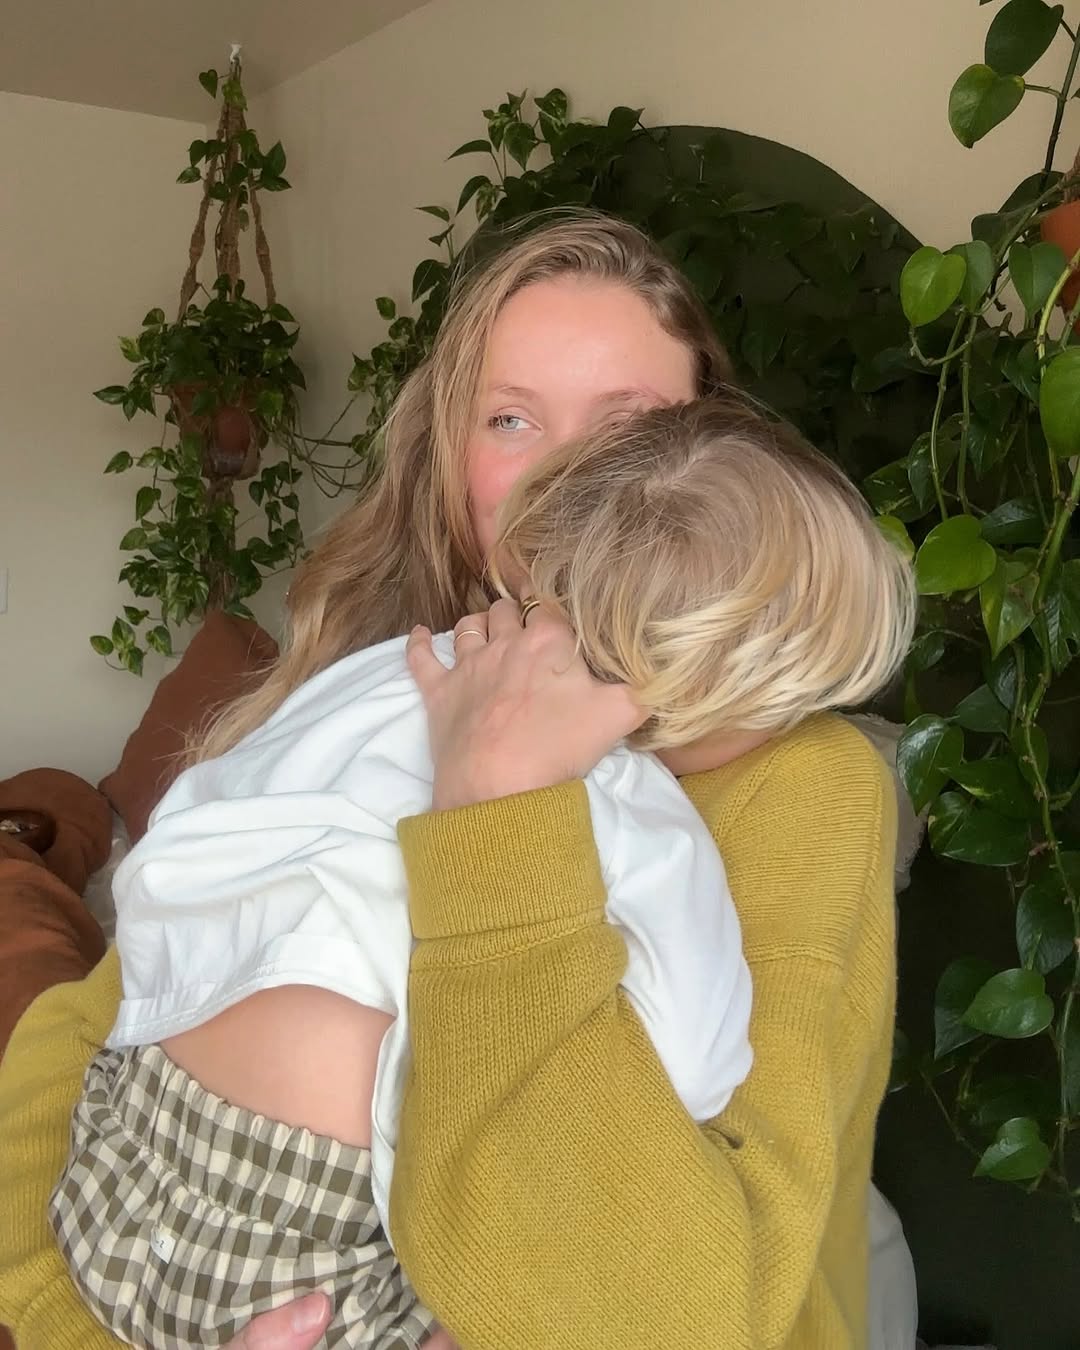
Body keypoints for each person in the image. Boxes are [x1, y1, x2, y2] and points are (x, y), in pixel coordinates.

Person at [0, 211, 911, 1349]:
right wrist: (72, 1325)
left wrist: (499, 818)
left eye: (627, 429)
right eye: (511, 419)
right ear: (449, 459)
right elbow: (93, 1021)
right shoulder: (390, 678)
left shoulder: (802, 782)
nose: (566, 479)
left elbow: (672, 1317)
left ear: (711, 457)